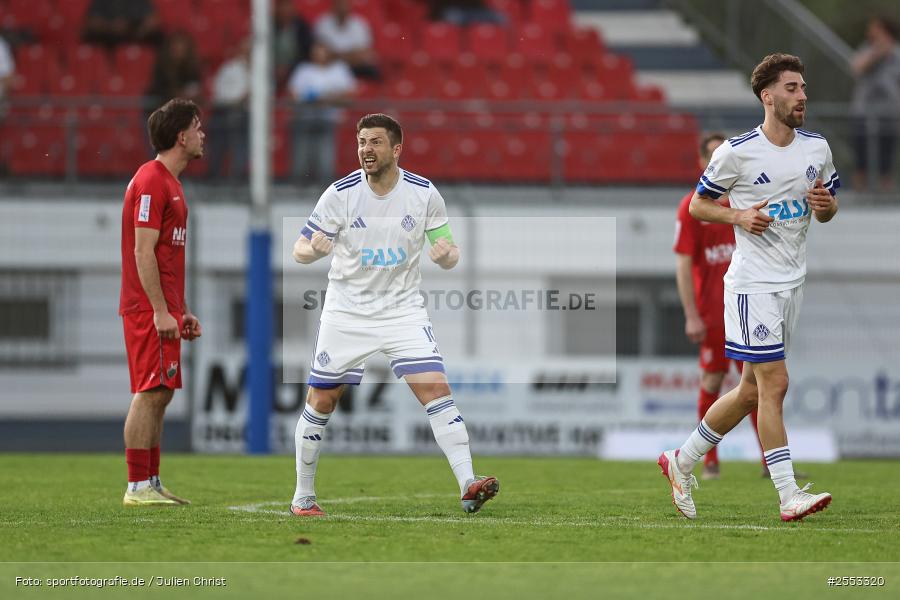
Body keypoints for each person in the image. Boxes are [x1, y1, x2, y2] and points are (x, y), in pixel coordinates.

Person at [288, 113, 499, 517]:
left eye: (375, 142)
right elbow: (300, 248)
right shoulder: (340, 194)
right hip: (347, 311)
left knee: (435, 389)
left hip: (402, 310)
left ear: (397, 149)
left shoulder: (423, 194)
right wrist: (312, 250)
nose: (366, 149)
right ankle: (303, 498)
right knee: (322, 399)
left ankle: (468, 484)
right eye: (361, 142)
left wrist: (447, 255)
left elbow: (448, 250)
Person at [658, 53, 840, 522]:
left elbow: (827, 209)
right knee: (775, 383)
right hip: (751, 284)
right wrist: (737, 214)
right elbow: (699, 205)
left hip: (791, 283)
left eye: (803, 87)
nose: (802, 96)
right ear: (768, 96)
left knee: (750, 393)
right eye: (793, 88)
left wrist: (824, 207)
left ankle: (681, 461)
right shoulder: (736, 152)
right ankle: (787, 494)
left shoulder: (817, 148)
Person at [119, 98, 205, 506]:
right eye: (197, 126)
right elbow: (142, 251)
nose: (203, 134)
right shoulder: (151, 180)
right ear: (180, 136)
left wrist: (180, 309)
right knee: (149, 390)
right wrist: (157, 310)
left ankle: (150, 482)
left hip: (164, 308)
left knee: (162, 391)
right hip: (145, 308)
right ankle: (137, 486)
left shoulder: (173, 184)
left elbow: (168, 258)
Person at [674, 133, 765, 481]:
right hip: (713, 313)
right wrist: (691, 314)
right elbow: (683, 263)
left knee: (758, 381)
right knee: (713, 381)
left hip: (749, 305)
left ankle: (769, 462)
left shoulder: (746, 202)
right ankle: (709, 460)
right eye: (712, 157)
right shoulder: (693, 207)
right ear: (702, 163)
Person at [287, 42, 356, 183]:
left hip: (329, 118)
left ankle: (325, 185)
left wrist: (327, 98)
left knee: (326, 155)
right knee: (302, 154)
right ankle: (298, 184)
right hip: (305, 117)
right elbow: (293, 94)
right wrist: (313, 98)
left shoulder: (339, 69)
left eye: (323, 52)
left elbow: (349, 94)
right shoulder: (304, 69)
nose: (320, 56)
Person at [851, 16, 900, 191]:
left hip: (889, 115)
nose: (870, 32)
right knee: (861, 162)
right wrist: (878, 53)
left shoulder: (897, 54)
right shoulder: (866, 50)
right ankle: (860, 198)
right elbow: (857, 68)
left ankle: (885, 200)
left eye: (875, 28)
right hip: (864, 114)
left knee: (886, 164)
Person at [207, 38, 250, 180]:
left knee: (241, 147)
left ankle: (237, 178)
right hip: (224, 111)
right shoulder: (229, 68)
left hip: (246, 115)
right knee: (218, 145)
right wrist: (238, 98)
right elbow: (219, 91)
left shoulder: (260, 70)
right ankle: (214, 177)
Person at [314, 0, 380, 80]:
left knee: (373, 71)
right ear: (333, 6)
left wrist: (337, 55)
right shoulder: (323, 24)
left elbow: (364, 54)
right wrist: (350, 54)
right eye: (339, 5)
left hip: (355, 66)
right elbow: (322, 53)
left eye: (345, 5)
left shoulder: (360, 24)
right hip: (330, 67)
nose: (342, 8)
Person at [145, 32, 202, 115]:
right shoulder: (161, 67)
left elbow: (195, 86)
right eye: (176, 47)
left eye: (182, 48)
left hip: (183, 111)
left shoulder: (192, 68)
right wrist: (176, 94)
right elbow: (158, 89)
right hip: (160, 110)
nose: (179, 50)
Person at [82, 0, 163, 49]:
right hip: (108, 34)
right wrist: (111, 27)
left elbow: (152, 19)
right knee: (89, 34)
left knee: (158, 35)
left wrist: (140, 31)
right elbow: (93, 21)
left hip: (133, 34)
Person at [273, 0, 314, 91]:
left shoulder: (301, 27)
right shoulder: (270, 27)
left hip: (296, 68)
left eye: (288, 6)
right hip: (272, 67)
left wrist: (290, 67)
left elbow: (307, 51)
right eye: (282, 7)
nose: (285, 10)